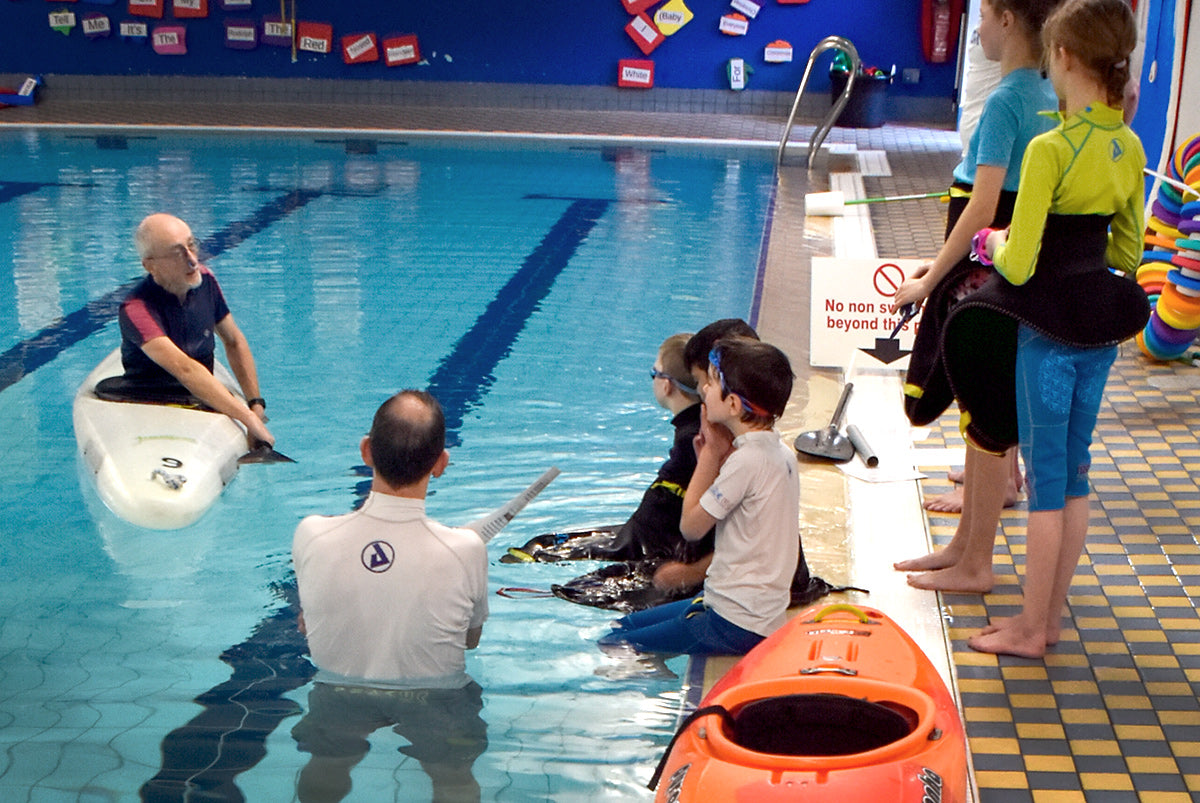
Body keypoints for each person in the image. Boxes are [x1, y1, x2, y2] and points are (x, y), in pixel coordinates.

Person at [956, 0, 1148, 656]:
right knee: (1074, 475)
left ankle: (1031, 628)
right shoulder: (1129, 144)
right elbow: (1127, 253)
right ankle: (1051, 618)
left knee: (1042, 477)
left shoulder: (1050, 148)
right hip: (1100, 326)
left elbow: (1022, 257)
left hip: (1048, 327)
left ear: (1062, 57)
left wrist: (988, 241)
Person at [892, 0, 1061, 591]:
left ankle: (977, 564)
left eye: (984, 16)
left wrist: (929, 279)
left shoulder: (1008, 101)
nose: (980, 28)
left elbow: (983, 208)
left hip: (983, 269)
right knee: (979, 412)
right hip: (1013, 269)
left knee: (985, 414)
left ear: (1010, 20)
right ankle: (965, 546)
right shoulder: (1050, 94)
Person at [291, 390, 489, 801]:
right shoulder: (467, 549)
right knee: (453, 778)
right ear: (441, 464)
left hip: (337, 693)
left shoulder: (311, 534)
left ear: (366, 451)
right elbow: (470, 639)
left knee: (325, 768)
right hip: (436, 700)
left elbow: (310, 622)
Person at [598, 336, 799, 656]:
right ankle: (656, 667)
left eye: (712, 382)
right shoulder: (780, 454)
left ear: (733, 405)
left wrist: (710, 456)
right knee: (627, 625)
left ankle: (657, 696)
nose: (703, 389)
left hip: (734, 623)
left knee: (614, 642)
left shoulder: (745, 462)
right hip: (753, 613)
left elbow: (691, 527)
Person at [97, 212, 273, 448]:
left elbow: (234, 341)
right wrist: (246, 419)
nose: (192, 260)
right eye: (177, 254)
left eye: (192, 246)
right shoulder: (136, 308)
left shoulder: (206, 281)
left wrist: (255, 404)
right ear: (151, 266)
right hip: (149, 396)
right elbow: (185, 369)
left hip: (198, 393)